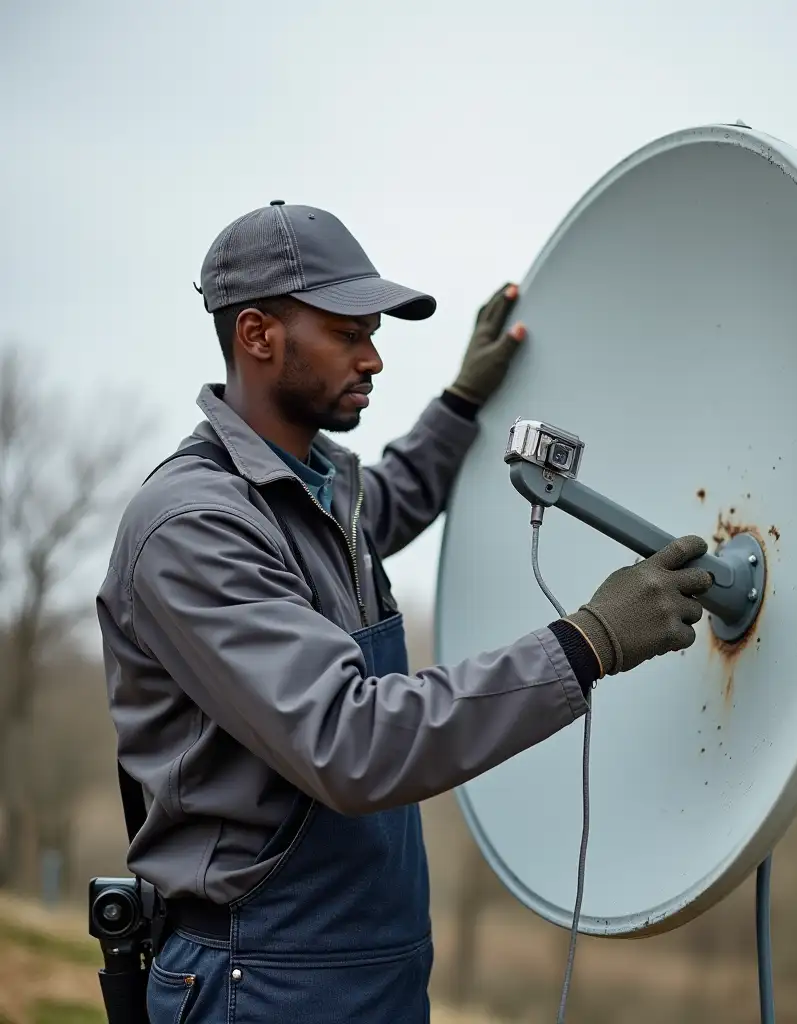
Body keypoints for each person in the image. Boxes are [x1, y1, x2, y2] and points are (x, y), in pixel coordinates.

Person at [95, 200, 713, 1023]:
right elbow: (350, 741)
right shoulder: (194, 528)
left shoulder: (321, 489)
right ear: (257, 334)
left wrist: (462, 402)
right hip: (265, 980)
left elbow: (389, 499)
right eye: (348, 332)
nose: (375, 357)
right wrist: (590, 641)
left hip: (371, 966)